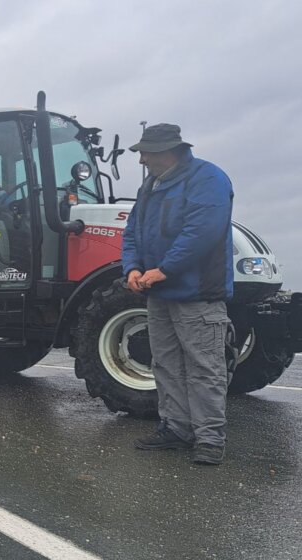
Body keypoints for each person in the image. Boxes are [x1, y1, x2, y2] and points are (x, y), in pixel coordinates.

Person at [122, 123, 234, 466]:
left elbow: (202, 231)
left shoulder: (208, 178)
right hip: (160, 293)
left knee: (204, 366)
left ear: (167, 151)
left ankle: (210, 439)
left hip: (197, 294)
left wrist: (165, 269)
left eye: (145, 152)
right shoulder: (149, 186)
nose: (141, 159)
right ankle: (176, 428)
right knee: (166, 364)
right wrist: (132, 268)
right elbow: (132, 232)